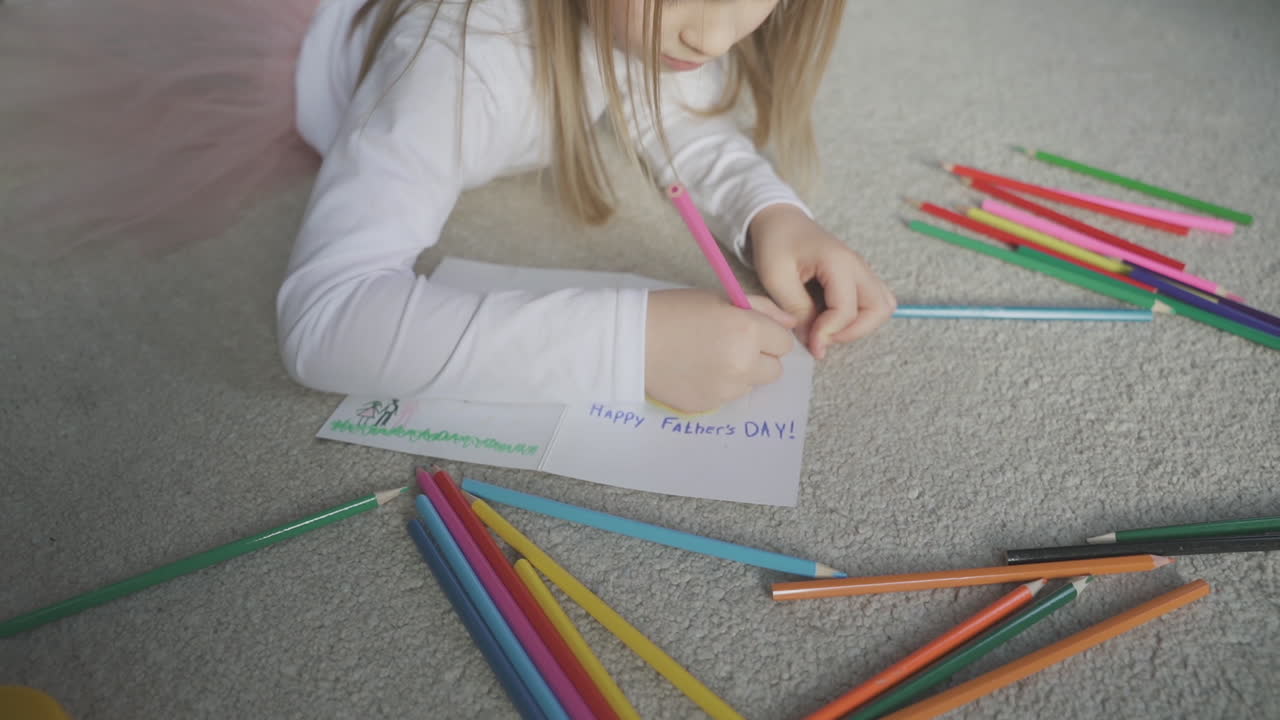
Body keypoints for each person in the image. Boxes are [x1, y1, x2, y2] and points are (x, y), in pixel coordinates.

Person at [2, 0, 895, 413]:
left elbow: (679, 115)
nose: (713, 33)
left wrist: (771, 212)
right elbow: (324, 320)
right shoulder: (458, 63)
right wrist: (631, 345)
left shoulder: (660, 29)